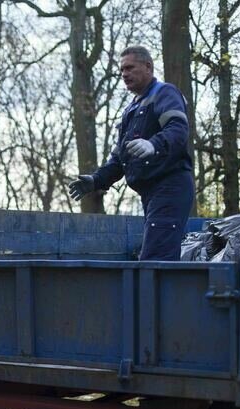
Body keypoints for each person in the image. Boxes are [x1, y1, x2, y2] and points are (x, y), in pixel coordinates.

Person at [68, 45, 194, 261]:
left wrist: (154, 144)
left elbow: (178, 128)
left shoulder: (164, 93)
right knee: (155, 258)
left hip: (170, 187)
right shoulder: (131, 110)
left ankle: (157, 296)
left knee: (155, 261)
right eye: (122, 70)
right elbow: (119, 158)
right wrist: (96, 180)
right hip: (151, 194)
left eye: (129, 68)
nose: (124, 74)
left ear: (148, 67)